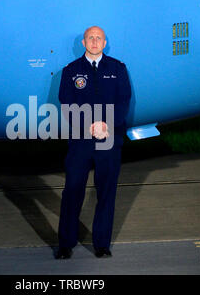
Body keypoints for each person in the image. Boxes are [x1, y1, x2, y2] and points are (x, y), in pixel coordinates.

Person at [56, 26, 132, 259]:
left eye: (99, 38)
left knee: (106, 192)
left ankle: (101, 244)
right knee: (72, 190)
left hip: (109, 139)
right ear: (83, 43)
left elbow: (124, 101)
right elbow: (66, 103)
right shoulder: (71, 71)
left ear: (105, 42)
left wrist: (106, 126)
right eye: (91, 38)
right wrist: (89, 125)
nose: (95, 41)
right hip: (81, 140)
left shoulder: (117, 69)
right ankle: (65, 244)